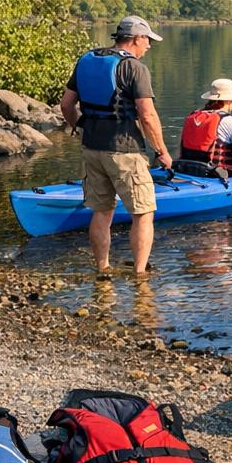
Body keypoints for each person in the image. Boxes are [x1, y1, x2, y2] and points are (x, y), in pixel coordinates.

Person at [59, 15, 173, 277]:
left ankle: (103, 268)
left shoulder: (87, 60)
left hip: (92, 149)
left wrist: (79, 127)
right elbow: (147, 116)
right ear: (136, 38)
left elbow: (66, 105)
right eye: (147, 40)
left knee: (101, 211)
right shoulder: (134, 68)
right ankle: (140, 274)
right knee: (143, 213)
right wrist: (162, 152)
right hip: (126, 151)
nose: (149, 46)